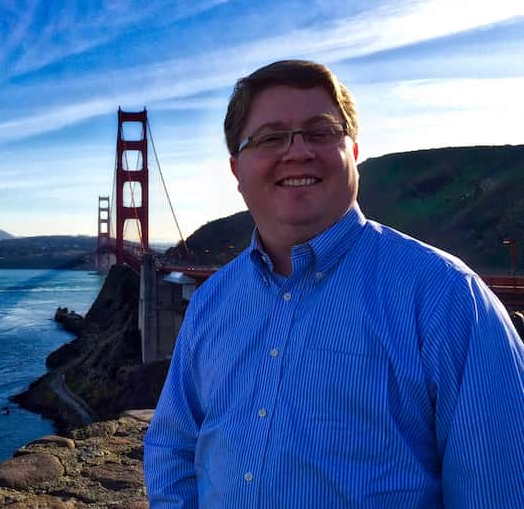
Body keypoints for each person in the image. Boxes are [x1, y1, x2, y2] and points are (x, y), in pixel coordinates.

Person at [143, 60, 524, 508]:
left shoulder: (450, 300)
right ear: (236, 169)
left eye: (321, 132)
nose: (299, 151)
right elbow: (172, 448)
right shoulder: (212, 301)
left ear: (354, 152)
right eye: (270, 138)